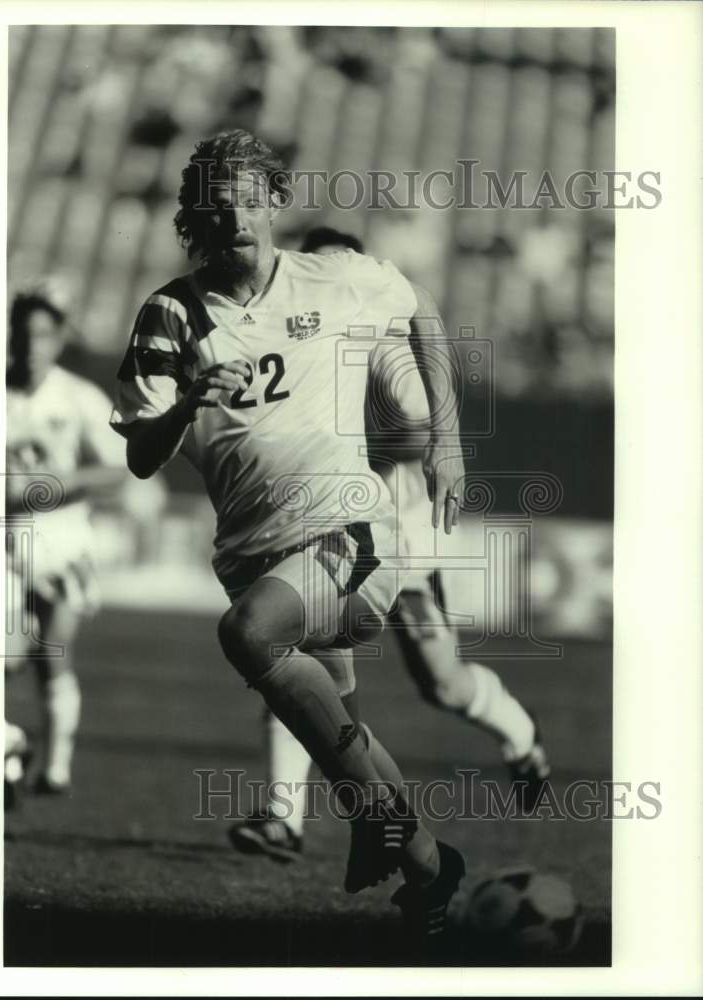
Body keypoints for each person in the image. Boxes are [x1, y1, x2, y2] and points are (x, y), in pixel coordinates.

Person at [110, 130, 468, 953]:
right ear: (195, 213)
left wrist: (447, 445)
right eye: (215, 196)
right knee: (344, 729)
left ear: (274, 201)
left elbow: (423, 311)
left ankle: (369, 818)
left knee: (249, 635)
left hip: (351, 532)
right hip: (252, 553)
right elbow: (139, 456)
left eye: (247, 193)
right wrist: (183, 402)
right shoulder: (171, 312)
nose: (232, 208)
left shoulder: (337, 278)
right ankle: (427, 870)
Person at [229, 227, 550, 860]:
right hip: (329, 534)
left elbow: (415, 433)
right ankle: (283, 819)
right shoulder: (289, 344)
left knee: (442, 684)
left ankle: (519, 735)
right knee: (296, 657)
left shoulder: (379, 344)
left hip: (402, 537)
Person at [5, 278, 127, 804]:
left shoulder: (78, 397)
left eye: (43, 335)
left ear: (58, 340)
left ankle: (54, 767)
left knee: (53, 654)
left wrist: (55, 485)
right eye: (23, 334)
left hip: (63, 546)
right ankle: (8, 752)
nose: (32, 346)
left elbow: (118, 472)